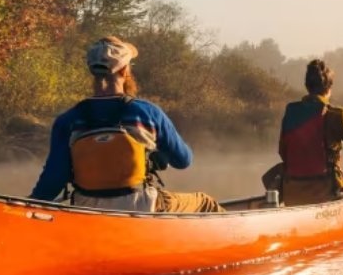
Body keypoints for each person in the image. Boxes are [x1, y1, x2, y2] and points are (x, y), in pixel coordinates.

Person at [29, 36, 223, 213]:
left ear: (92, 71)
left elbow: (52, 182)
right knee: (205, 202)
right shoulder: (147, 113)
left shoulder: (68, 120)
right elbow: (183, 161)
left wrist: (27, 205)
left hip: (86, 212)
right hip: (143, 208)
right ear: (125, 70)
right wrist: (157, 152)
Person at [276, 59, 343, 206]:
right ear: (329, 87)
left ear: (307, 86)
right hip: (324, 194)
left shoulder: (291, 112)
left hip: (291, 193)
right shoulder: (337, 115)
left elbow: (283, 152)